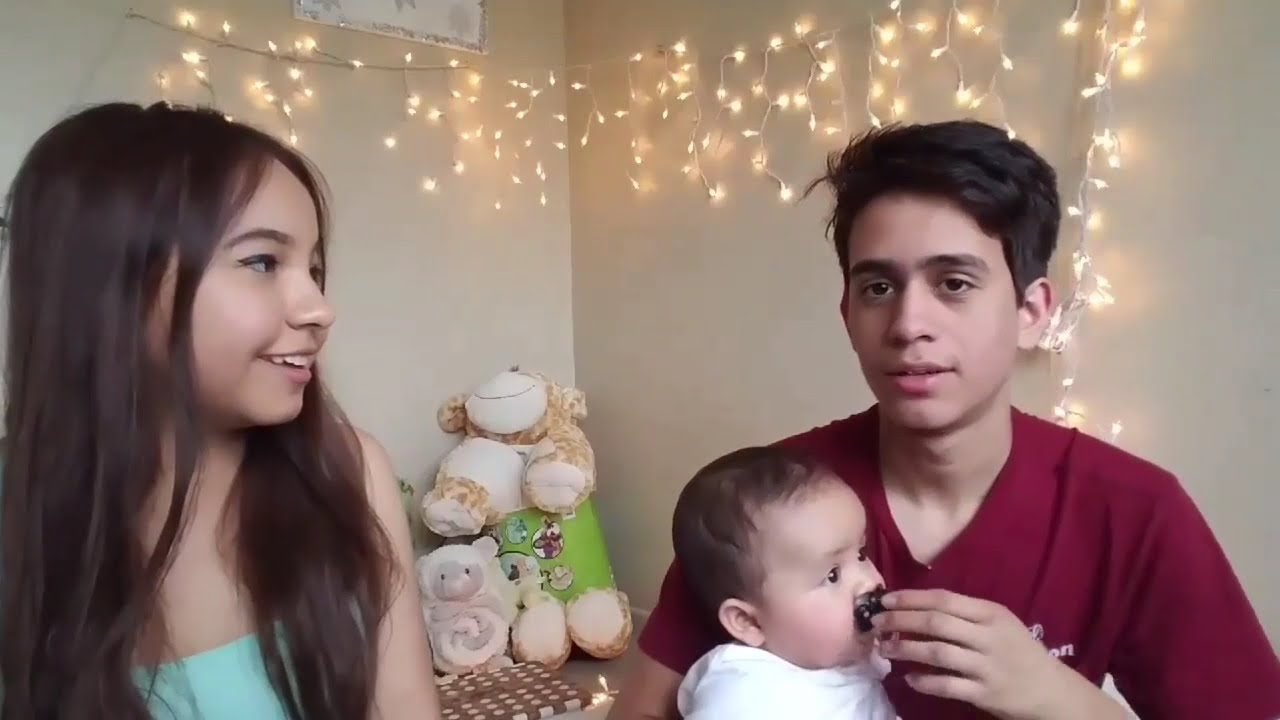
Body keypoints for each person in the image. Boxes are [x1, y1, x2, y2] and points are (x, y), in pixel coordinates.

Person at [608, 119, 1280, 720]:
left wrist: (1062, 698)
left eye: (954, 283)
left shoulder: (1135, 511)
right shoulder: (767, 506)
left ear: (1031, 312)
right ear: (848, 314)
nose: (908, 325)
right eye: (878, 288)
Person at [0, 102, 443, 719]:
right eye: (263, 262)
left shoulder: (349, 471)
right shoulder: (20, 513)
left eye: (314, 268)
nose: (319, 309)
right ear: (113, 286)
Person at [670, 446, 896, 719]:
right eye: (832, 575)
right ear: (749, 622)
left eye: (861, 554)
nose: (868, 581)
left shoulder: (852, 655)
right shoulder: (743, 695)